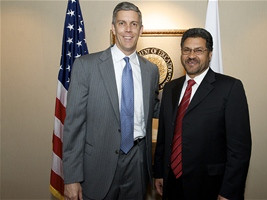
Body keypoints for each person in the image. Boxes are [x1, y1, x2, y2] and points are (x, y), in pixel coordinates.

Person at [62, 2, 160, 200]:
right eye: (122, 23)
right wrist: (71, 177)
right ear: (113, 27)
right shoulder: (86, 66)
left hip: (138, 162)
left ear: (141, 29)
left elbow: (155, 109)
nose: (128, 29)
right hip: (97, 166)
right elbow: (74, 126)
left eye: (134, 24)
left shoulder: (151, 70)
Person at [154, 28, 252, 200]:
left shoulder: (230, 88)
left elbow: (239, 149)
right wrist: (160, 172)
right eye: (187, 50)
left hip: (210, 187)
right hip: (172, 184)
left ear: (210, 54)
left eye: (199, 50)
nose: (191, 55)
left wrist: (229, 191)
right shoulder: (170, 88)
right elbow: (164, 135)